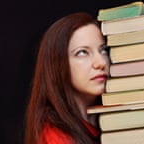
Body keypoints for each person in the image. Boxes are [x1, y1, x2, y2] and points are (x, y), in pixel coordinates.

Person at [24, 12, 110, 144]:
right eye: (82, 52)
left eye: (103, 50)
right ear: (58, 64)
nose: (101, 63)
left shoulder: (108, 119)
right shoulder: (55, 137)